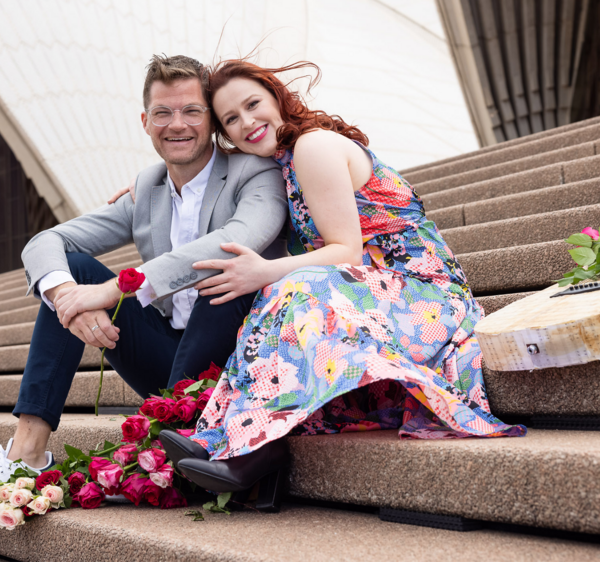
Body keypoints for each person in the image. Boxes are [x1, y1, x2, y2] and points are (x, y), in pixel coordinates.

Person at [158, 59, 526, 510]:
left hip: (424, 294)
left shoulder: (313, 147)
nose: (247, 122)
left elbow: (346, 251)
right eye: (231, 119)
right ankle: (229, 440)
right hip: (379, 291)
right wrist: (147, 187)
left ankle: (248, 446)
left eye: (253, 104)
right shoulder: (284, 165)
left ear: (277, 98)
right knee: (290, 288)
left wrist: (264, 272)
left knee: (290, 286)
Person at [0, 55, 288, 513]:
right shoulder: (148, 188)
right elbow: (47, 240)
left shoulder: (254, 172)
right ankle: (27, 454)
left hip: (239, 365)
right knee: (72, 270)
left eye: (191, 111)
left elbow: (234, 242)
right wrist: (68, 297)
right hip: (169, 362)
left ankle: (182, 442)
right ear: (146, 121)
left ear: (213, 120)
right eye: (163, 113)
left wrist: (112, 291)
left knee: (222, 277)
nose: (176, 124)